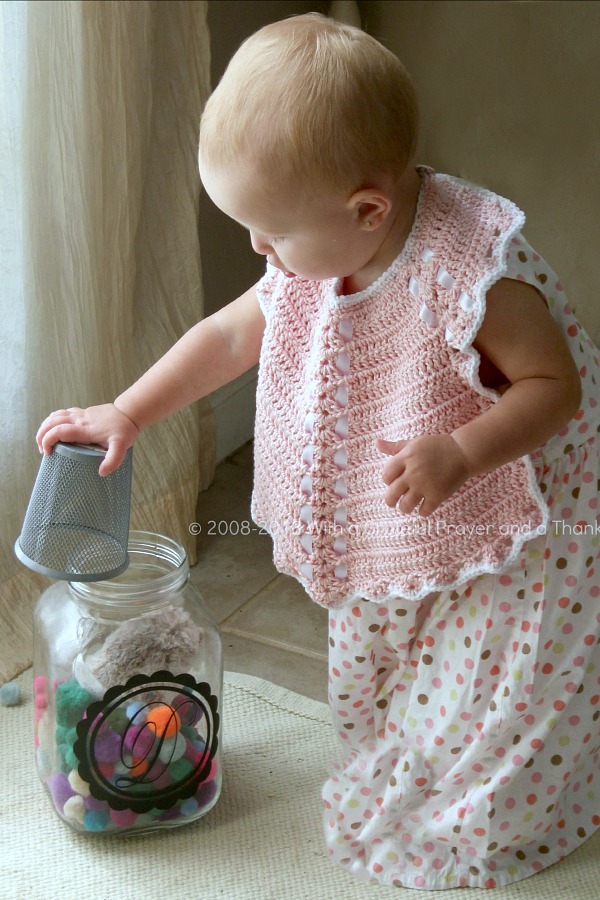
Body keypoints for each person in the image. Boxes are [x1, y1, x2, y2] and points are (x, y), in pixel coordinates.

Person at [36, 12, 600, 891]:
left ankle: (496, 796)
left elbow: (552, 389)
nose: (261, 255)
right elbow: (229, 338)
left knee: (495, 687)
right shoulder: (322, 241)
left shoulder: (476, 274)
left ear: (367, 209)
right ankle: (414, 755)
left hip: (515, 512)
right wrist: (128, 411)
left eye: (270, 235)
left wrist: (460, 450)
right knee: (398, 653)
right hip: (410, 492)